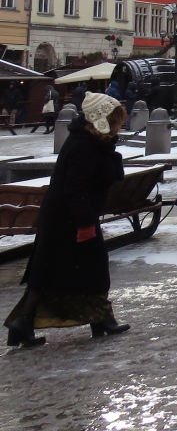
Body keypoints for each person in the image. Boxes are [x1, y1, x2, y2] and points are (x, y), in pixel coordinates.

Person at [6, 93, 131, 347]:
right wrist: (85, 224)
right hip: (70, 218)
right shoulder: (85, 146)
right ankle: (100, 319)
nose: (120, 125)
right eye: (116, 119)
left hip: (66, 215)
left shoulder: (89, 141)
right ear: (102, 119)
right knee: (90, 267)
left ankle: (24, 323)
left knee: (50, 270)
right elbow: (75, 189)